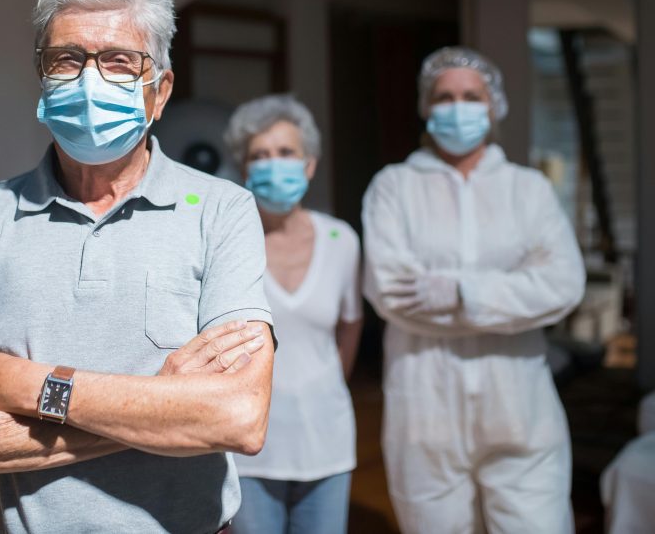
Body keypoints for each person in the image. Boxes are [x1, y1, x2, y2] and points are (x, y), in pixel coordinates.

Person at [0, 0, 275, 534]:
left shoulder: (223, 210)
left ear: (160, 92)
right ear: (42, 78)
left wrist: (31, 386)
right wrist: (160, 406)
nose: (89, 79)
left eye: (120, 60)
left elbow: (239, 417)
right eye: (67, 59)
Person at [361, 47, 586, 534]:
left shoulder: (528, 190)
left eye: (471, 96)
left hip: (520, 409)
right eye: (445, 97)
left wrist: (463, 293)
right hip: (425, 409)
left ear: (494, 105)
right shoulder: (393, 187)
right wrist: (514, 296)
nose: (457, 108)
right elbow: (391, 292)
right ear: (426, 107)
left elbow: (563, 284)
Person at [223, 95, 363, 534]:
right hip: (250, 446)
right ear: (244, 168)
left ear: (310, 164)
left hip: (328, 440)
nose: (274, 164)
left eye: (286, 152)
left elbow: (351, 323)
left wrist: (327, 385)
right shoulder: (228, 241)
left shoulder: (341, 240)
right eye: (260, 155)